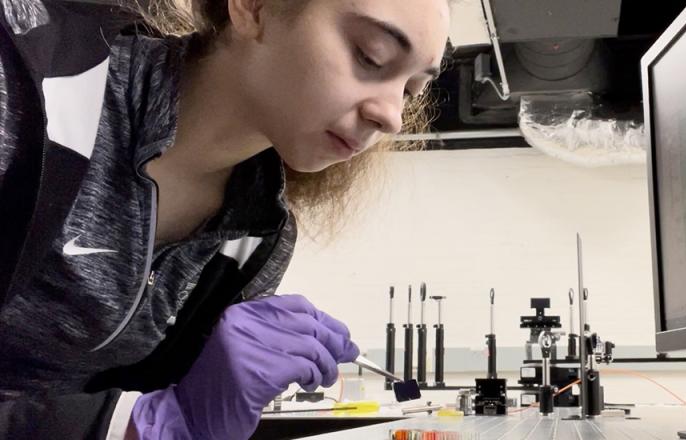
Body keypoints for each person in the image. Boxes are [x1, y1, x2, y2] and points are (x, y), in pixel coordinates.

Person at [0, 0, 450, 438]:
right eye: (371, 56)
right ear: (254, 8)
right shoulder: (26, 86)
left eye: (411, 90)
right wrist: (137, 424)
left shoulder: (257, 234)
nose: (391, 117)